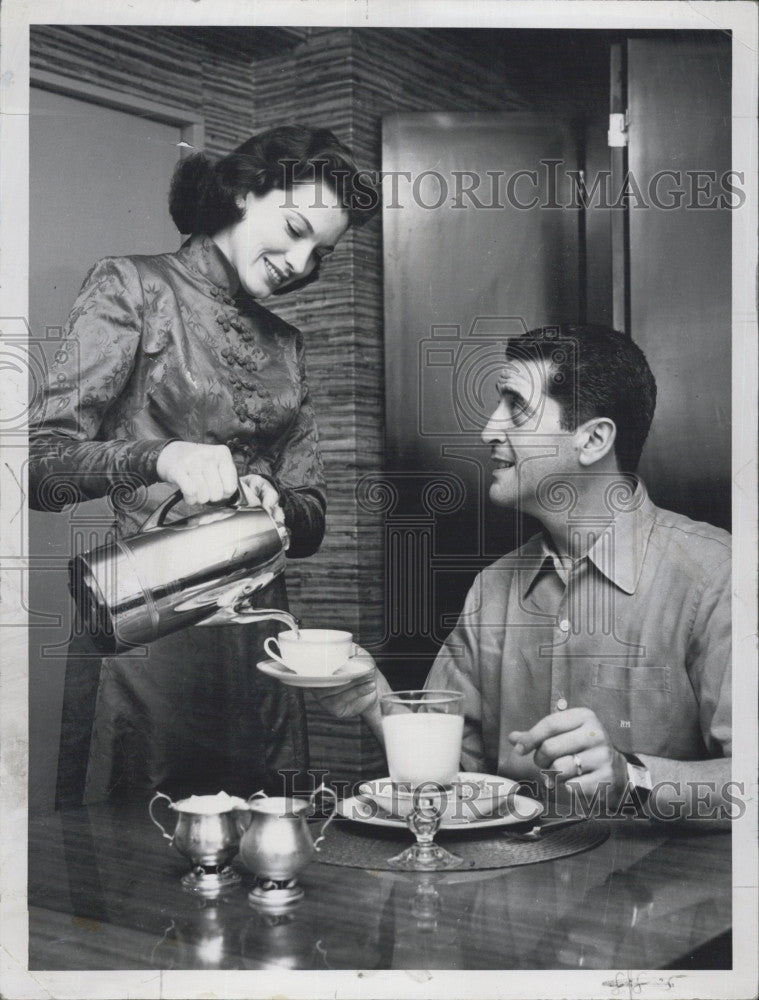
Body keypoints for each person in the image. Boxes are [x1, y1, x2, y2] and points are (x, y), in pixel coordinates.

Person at [29, 125, 377, 807]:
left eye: (321, 253)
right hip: (145, 624)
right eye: (296, 227)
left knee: (267, 835)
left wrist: (276, 501)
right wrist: (162, 456)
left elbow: (310, 519)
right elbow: (39, 466)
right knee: (140, 845)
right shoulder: (133, 285)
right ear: (246, 191)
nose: (301, 263)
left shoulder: (287, 344)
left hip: (261, 642)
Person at [321, 324, 732, 817]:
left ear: (594, 439)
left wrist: (633, 778)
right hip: (506, 884)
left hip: (655, 888)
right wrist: (373, 698)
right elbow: (443, 780)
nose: (489, 429)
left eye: (516, 407)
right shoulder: (490, 589)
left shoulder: (716, 576)